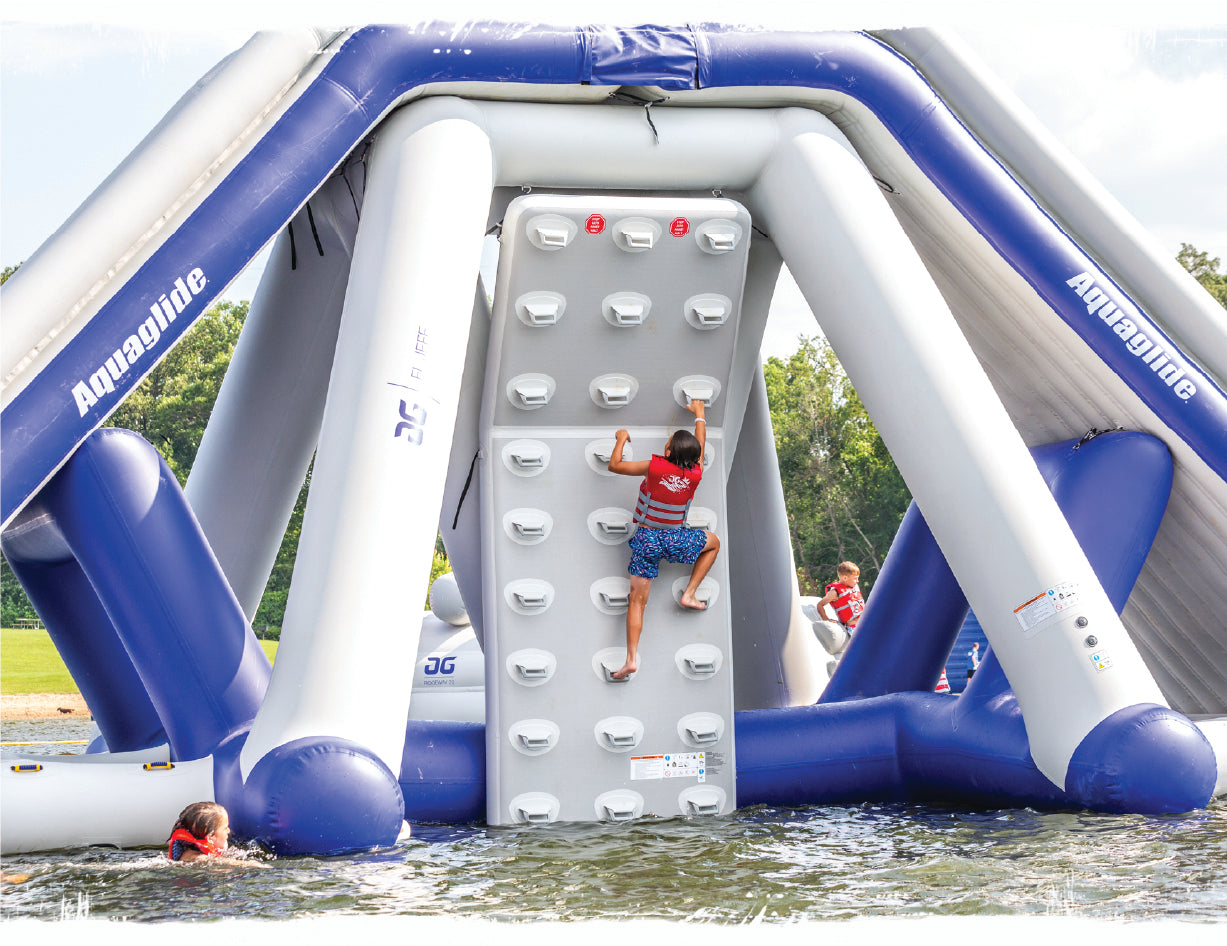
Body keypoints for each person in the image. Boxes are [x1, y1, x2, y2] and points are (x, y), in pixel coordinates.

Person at [606, 398, 720, 681]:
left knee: (637, 602)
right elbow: (701, 446)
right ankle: (690, 593)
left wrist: (621, 438)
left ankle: (631, 659)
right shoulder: (696, 474)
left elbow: (615, 466)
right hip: (674, 539)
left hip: (647, 540)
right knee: (713, 541)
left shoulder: (654, 467)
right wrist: (700, 415)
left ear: (667, 450)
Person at [817, 561, 865, 631]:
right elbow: (820, 605)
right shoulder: (834, 592)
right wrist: (826, 620)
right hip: (854, 628)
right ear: (845, 578)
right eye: (855, 578)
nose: (857, 581)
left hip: (865, 623)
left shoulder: (854, 587)